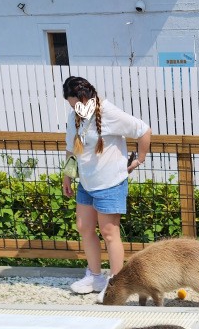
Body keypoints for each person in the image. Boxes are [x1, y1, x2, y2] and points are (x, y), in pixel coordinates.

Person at [61, 75, 151, 295]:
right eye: (72, 106)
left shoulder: (108, 112)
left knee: (110, 232)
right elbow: (72, 148)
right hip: (87, 182)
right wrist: (67, 176)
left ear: (85, 97)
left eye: (76, 104)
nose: (75, 109)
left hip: (110, 183)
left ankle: (116, 284)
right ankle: (94, 277)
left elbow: (143, 130)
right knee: (84, 227)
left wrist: (139, 159)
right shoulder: (75, 116)